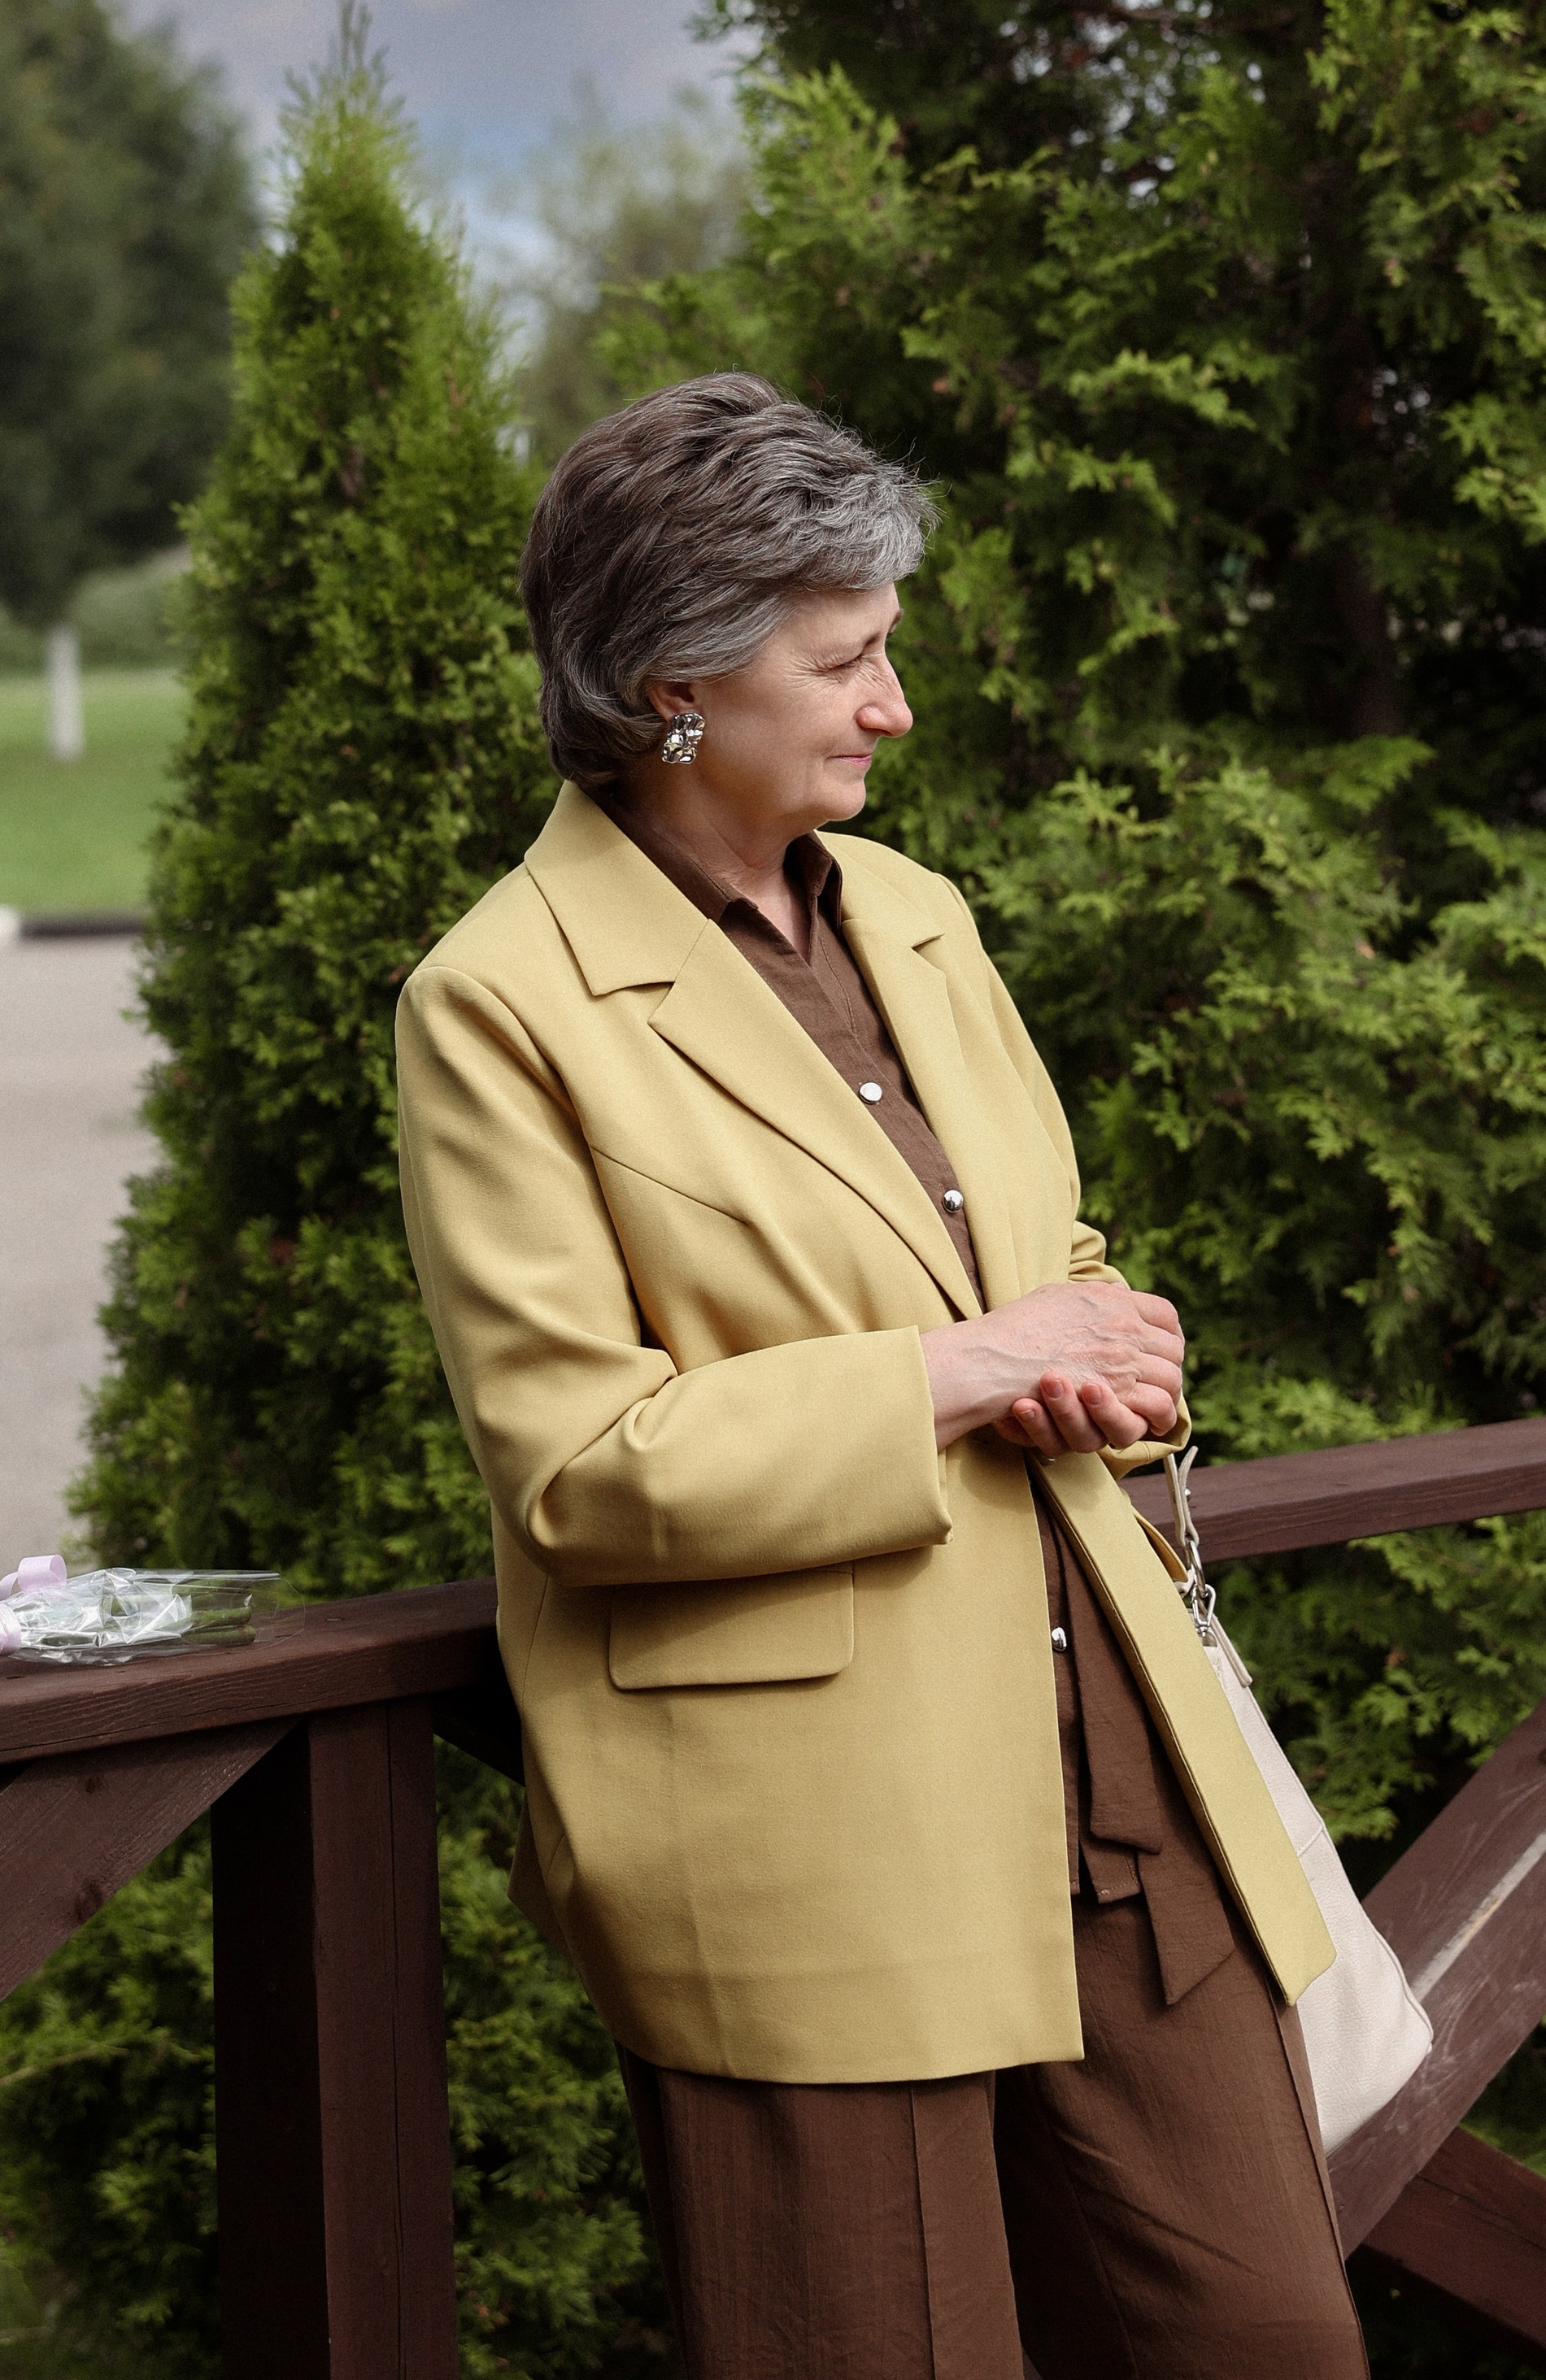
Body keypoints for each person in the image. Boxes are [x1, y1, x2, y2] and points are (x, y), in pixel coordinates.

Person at [395, 376, 1367, 2380]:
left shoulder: (915, 917)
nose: (890, 705)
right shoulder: (497, 1000)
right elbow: (579, 1464)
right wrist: (959, 1364)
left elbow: (1030, 1255)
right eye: (844, 659)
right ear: (671, 678)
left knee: (1270, 2336)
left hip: (1120, 1793)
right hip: (802, 1847)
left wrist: (1104, 1347)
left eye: (885, 650)